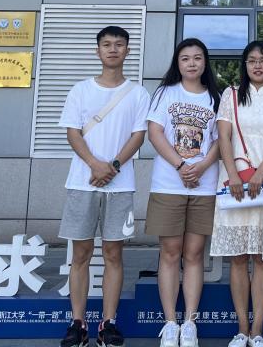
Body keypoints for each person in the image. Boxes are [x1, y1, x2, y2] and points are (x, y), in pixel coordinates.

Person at [58, 26, 150, 347]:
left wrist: (112, 167)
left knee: (113, 253)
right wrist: (95, 165)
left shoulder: (138, 93)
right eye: (107, 44)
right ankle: (78, 323)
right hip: (82, 183)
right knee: (80, 254)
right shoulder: (80, 90)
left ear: (127, 51)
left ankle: (108, 323)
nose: (113, 49)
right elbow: (72, 133)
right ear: (97, 50)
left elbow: (138, 136)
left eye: (119, 44)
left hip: (120, 186)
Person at [211, 40, 263, 347]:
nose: (257, 66)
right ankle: (241, 329)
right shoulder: (230, 95)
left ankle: (257, 331)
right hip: (234, 182)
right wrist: (232, 174)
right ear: (244, 65)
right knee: (238, 257)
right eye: (252, 61)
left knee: (262, 257)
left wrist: (260, 173)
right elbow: (223, 136)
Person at [146, 38, 224, 347]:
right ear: (177, 63)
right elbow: (155, 133)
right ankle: (169, 323)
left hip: (204, 186)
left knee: (194, 254)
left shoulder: (216, 98)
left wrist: (202, 166)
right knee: (169, 252)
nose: (192, 63)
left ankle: (190, 323)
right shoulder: (165, 93)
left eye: (197, 58)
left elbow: (220, 139)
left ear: (205, 63)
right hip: (168, 184)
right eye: (185, 58)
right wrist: (181, 165)